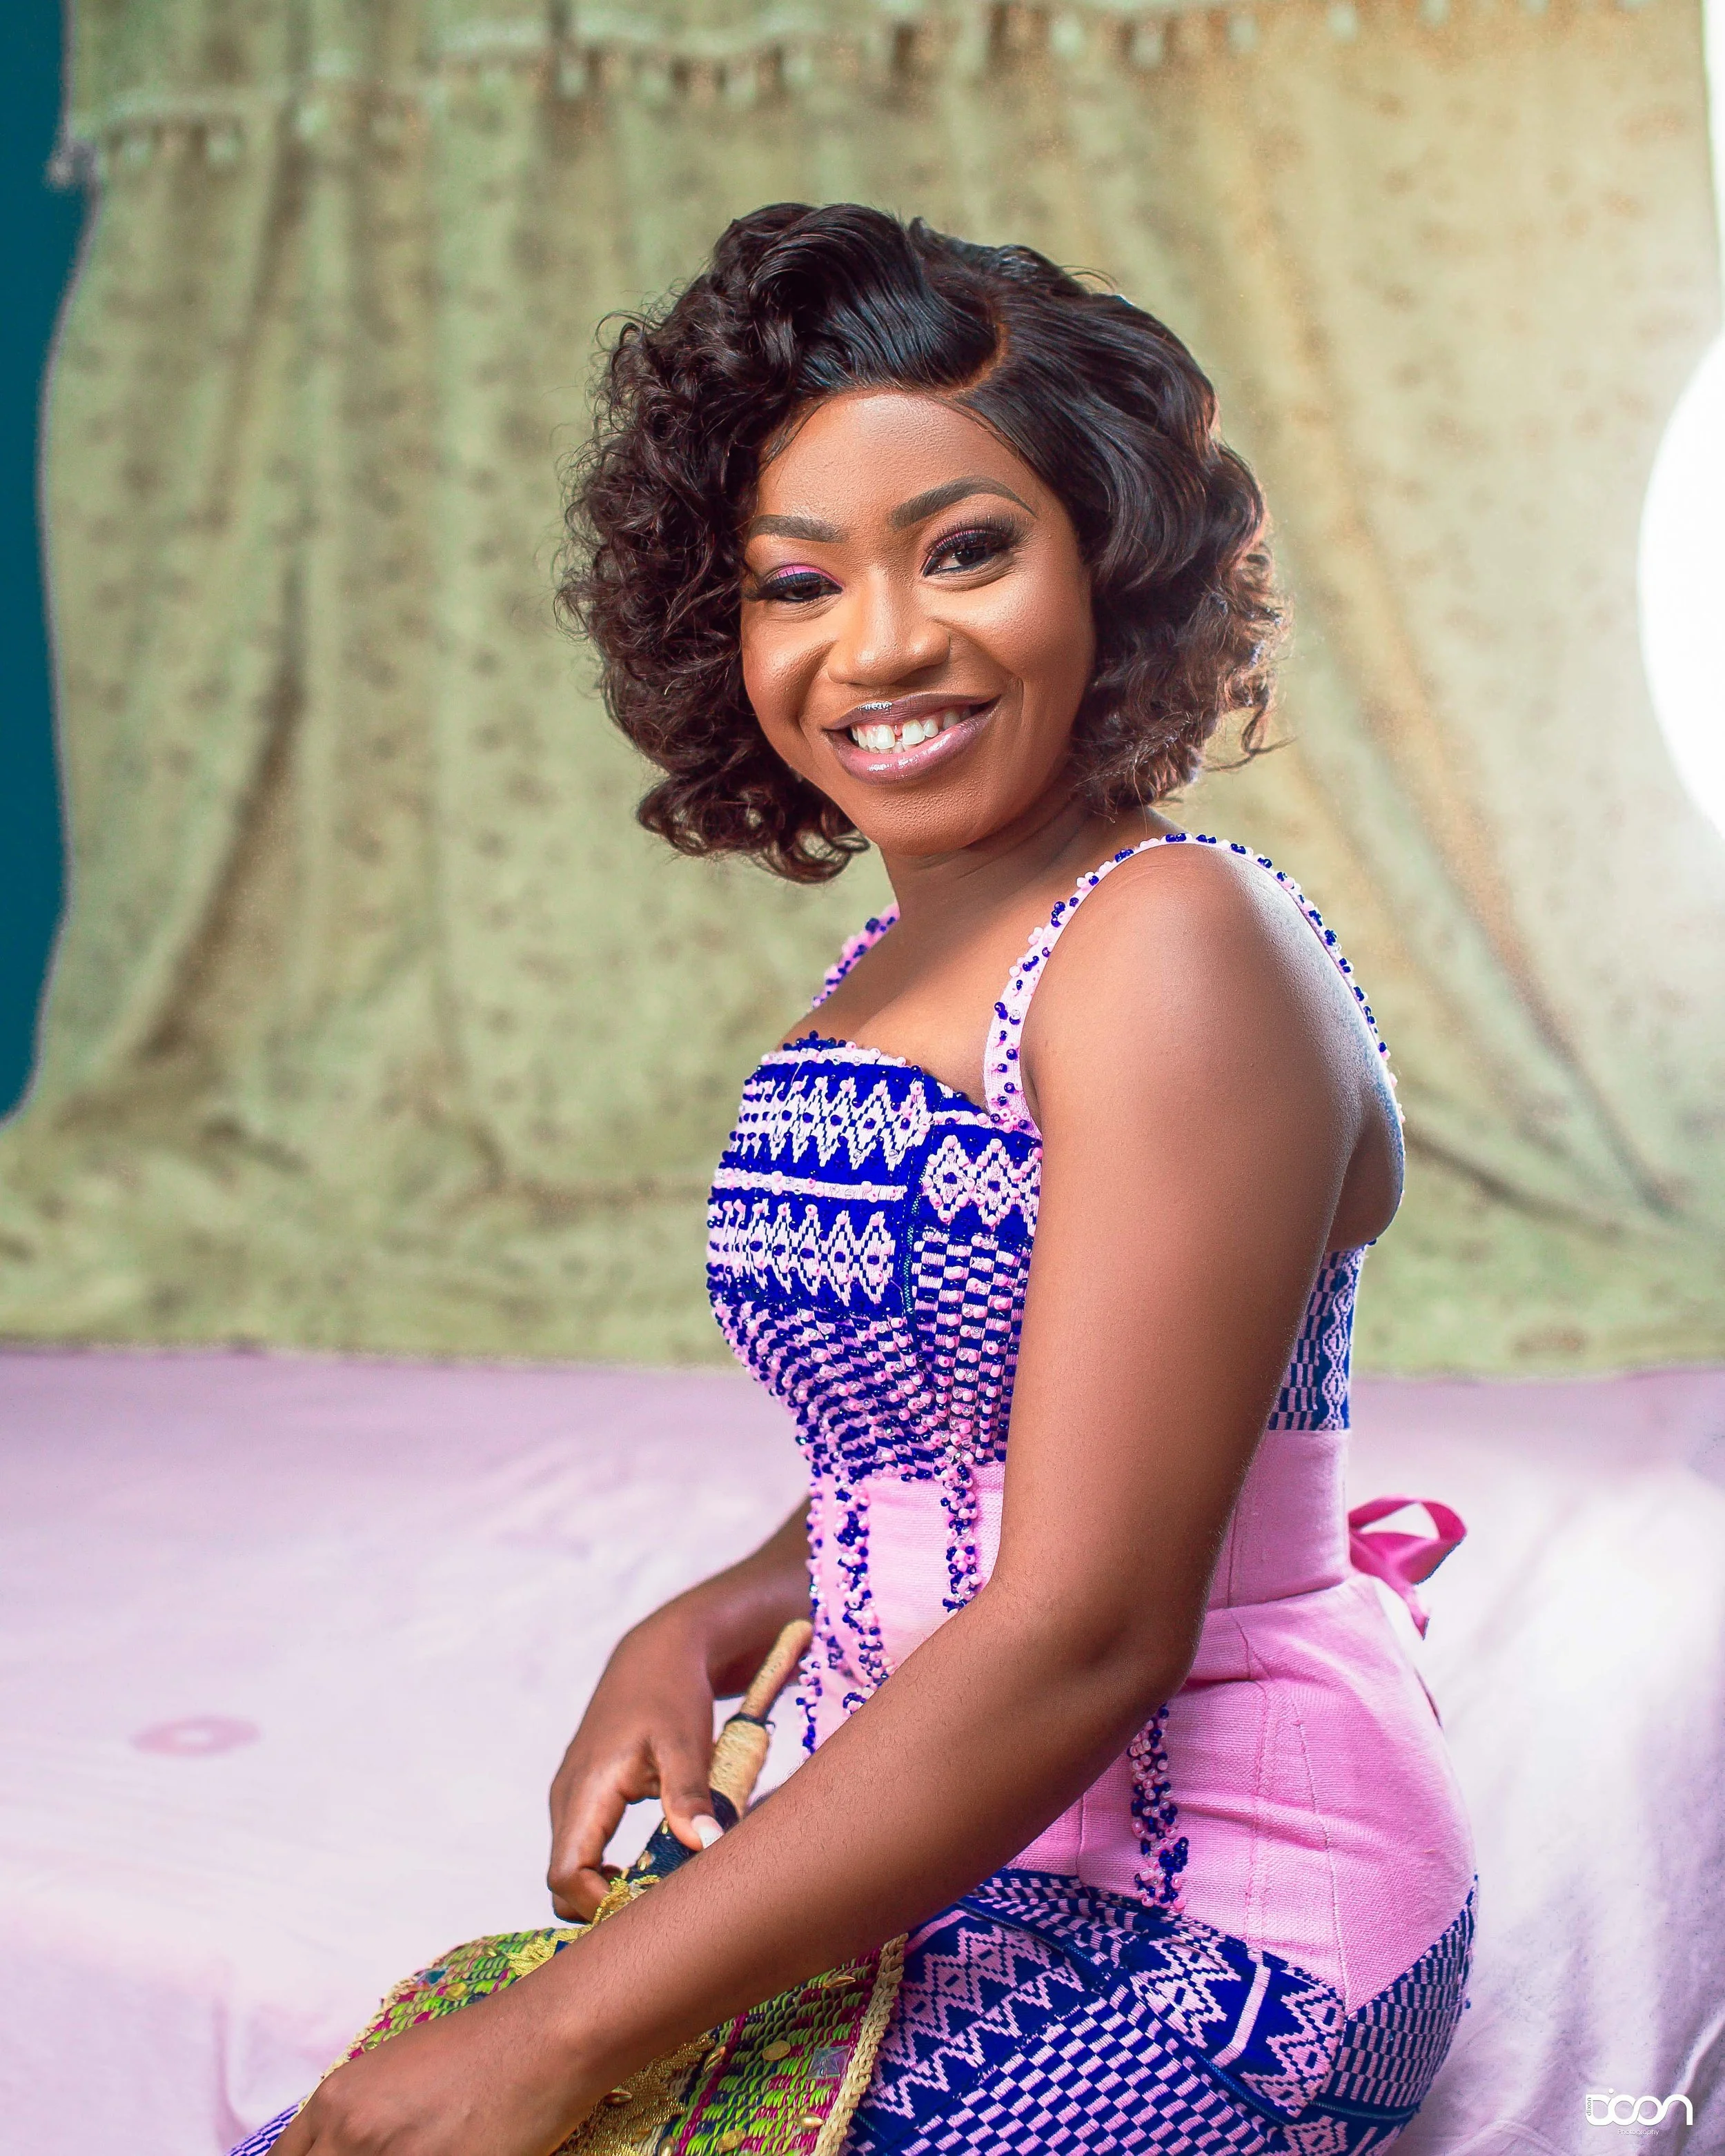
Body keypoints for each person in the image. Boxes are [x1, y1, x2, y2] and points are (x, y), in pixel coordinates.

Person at [261, 203, 1474, 2156]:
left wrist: (563, 2031)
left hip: (1213, 1899)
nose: (882, 642)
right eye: (794, 582)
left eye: (966, 547)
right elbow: (968, 1437)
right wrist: (717, 1607)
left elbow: (1085, 1618)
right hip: (933, 1818)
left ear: (1116, 564)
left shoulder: (1172, 945)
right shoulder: (892, 962)